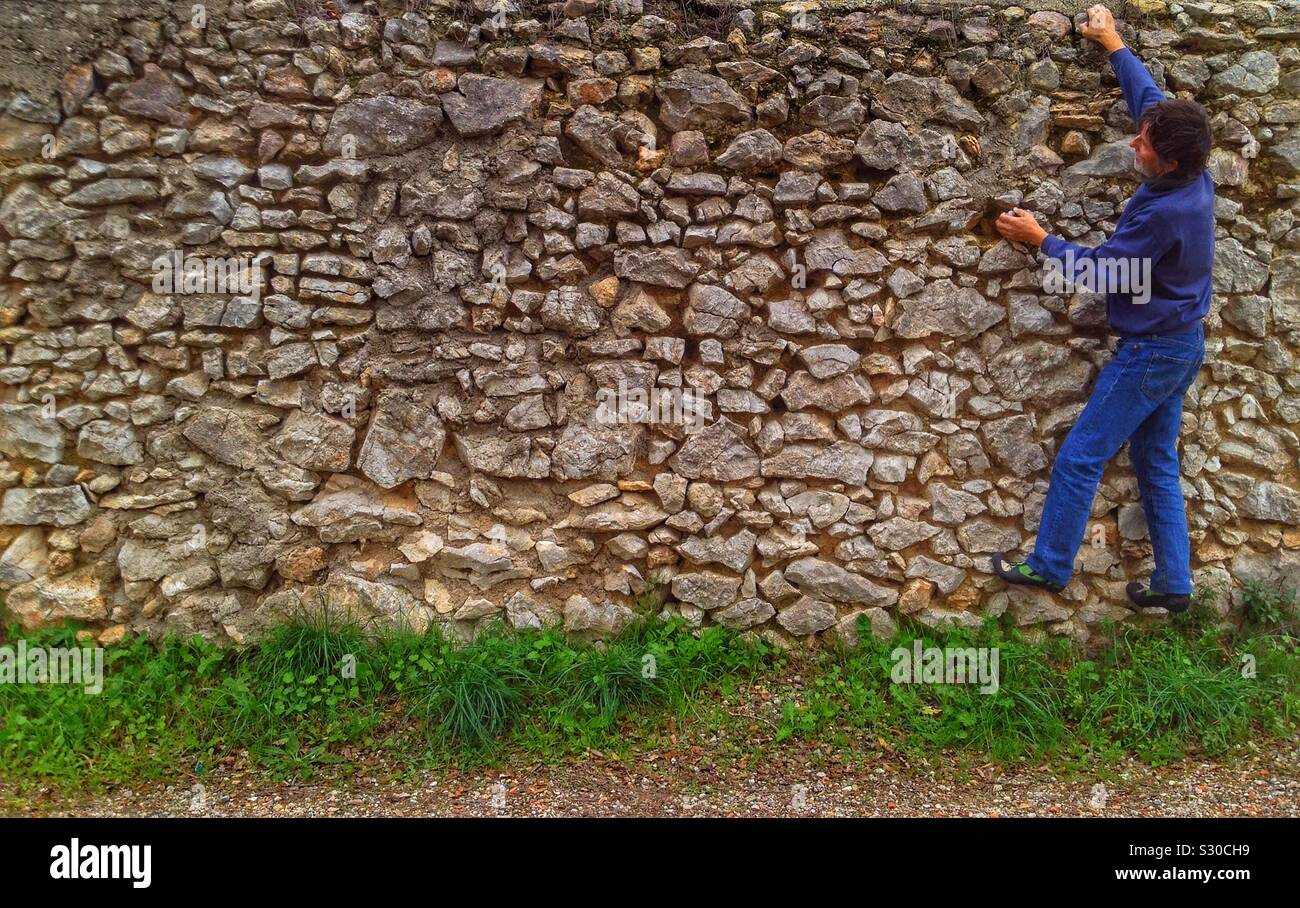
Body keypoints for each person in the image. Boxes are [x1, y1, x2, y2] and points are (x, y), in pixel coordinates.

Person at [990, 4, 1214, 613]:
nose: (1132, 140)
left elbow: (1108, 272)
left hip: (1152, 352)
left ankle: (1049, 566)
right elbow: (1149, 101)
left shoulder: (1167, 214)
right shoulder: (1189, 162)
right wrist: (1113, 42)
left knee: (1081, 454)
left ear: (1165, 161)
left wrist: (1043, 241)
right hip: (1182, 342)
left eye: (1141, 143)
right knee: (1156, 462)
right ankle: (1174, 585)